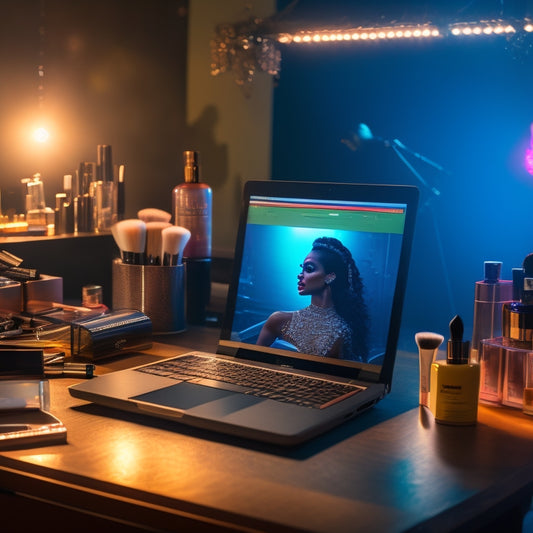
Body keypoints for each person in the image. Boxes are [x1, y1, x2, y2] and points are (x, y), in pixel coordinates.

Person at [256, 236, 369, 361]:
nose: (300, 275)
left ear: (330, 277)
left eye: (309, 269)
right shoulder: (279, 320)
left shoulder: (342, 332)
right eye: (302, 269)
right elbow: (253, 363)